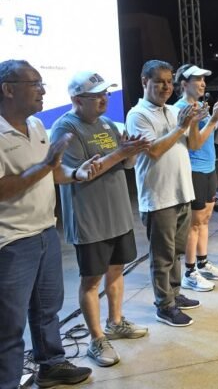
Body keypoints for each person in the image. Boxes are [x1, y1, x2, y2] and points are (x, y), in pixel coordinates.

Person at [0, 60, 95, 388]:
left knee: (47, 309)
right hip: (11, 241)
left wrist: (76, 173)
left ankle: (51, 365)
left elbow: (52, 172)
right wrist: (46, 165)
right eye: (35, 84)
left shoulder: (38, 125)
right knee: (9, 324)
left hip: (45, 231)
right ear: (8, 89)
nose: (42, 90)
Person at [51, 71, 151, 368]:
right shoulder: (65, 128)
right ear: (77, 100)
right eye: (96, 96)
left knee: (117, 269)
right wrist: (121, 153)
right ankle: (96, 339)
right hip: (89, 218)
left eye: (105, 94)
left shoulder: (108, 124)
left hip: (117, 213)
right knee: (92, 280)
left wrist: (131, 152)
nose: (104, 99)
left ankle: (115, 322)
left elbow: (126, 164)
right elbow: (81, 173)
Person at [125, 60, 203, 327]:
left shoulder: (173, 111)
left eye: (169, 82)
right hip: (159, 197)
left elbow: (193, 144)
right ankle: (164, 305)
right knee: (162, 256)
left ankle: (175, 294)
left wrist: (194, 123)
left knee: (176, 252)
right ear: (144, 81)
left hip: (181, 192)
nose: (166, 87)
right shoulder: (137, 114)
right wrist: (180, 127)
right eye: (159, 81)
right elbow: (154, 150)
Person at [172, 64, 218, 292]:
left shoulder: (201, 107)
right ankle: (189, 272)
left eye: (204, 80)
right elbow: (194, 143)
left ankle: (203, 263)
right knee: (194, 224)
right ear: (184, 84)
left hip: (209, 168)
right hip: (193, 170)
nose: (203, 83)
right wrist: (213, 119)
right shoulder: (180, 109)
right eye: (197, 79)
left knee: (205, 220)